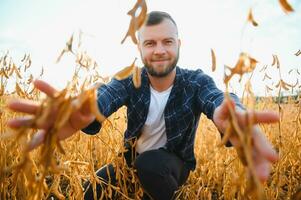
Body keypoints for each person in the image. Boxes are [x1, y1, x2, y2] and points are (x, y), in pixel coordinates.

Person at [8, 11, 279, 200]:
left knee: (150, 164)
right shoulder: (130, 80)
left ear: (179, 45)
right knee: (92, 190)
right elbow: (106, 94)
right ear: (139, 48)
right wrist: (85, 109)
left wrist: (233, 115)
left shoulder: (195, 81)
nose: (159, 49)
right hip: (130, 163)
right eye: (150, 43)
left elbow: (218, 100)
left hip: (173, 165)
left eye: (167, 42)